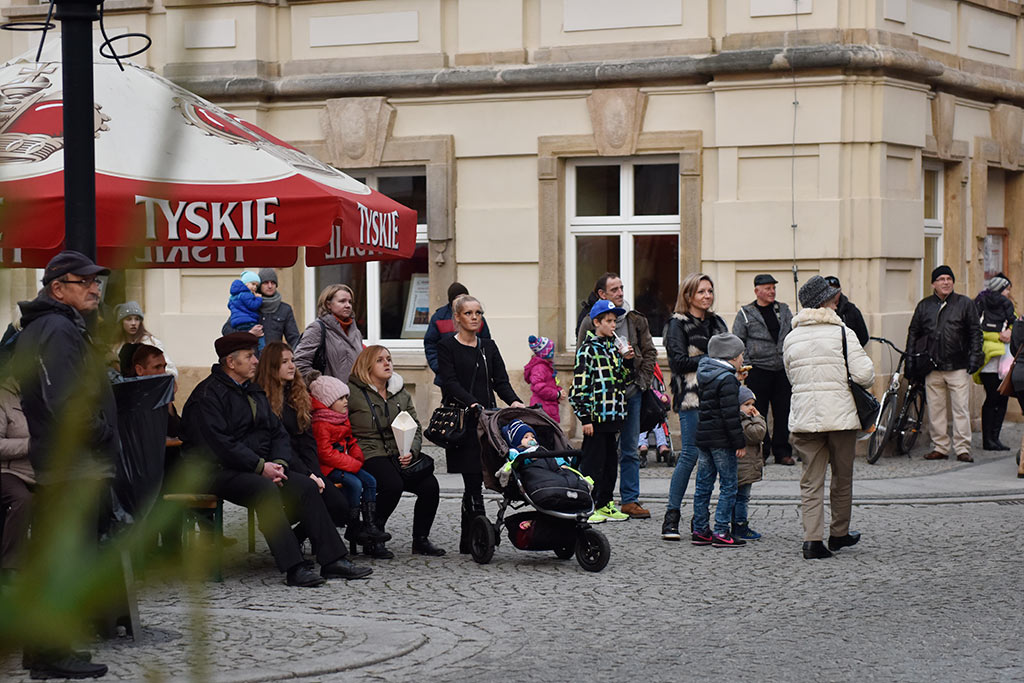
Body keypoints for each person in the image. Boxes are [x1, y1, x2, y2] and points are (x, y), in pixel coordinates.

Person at [181, 332, 366, 586]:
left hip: (256, 468)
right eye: (249, 356)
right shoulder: (208, 396)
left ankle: (333, 560)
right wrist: (260, 468)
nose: (256, 361)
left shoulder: (252, 391)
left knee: (306, 486)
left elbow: (277, 431)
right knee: (263, 489)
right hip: (215, 471)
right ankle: (294, 567)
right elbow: (221, 444)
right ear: (231, 363)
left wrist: (279, 463)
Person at [16, 249, 115, 679]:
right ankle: (50, 653)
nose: (95, 288)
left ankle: (46, 650)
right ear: (58, 288)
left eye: (97, 281)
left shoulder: (55, 324)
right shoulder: (57, 327)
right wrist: (101, 430)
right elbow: (63, 399)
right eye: (85, 281)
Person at [253, 342, 372, 579]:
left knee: (340, 506)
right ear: (271, 366)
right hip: (280, 465)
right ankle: (332, 560)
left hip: (305, 465)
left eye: (293, 361)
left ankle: (296, 537)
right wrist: (308, 475)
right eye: (284, 362)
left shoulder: (298, 394)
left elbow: (307, 442)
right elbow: (280, 444)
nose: (291, 366)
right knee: (313, 493)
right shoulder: (262, 398)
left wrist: (316, 473)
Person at [784, 276, 874, 560]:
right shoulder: (842, 332)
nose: (836, 299)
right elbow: (865, 375)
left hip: (804, 418)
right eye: (831, 296)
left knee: (810, 481)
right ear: (824, 301)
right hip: (840, 418)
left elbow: (791, 376)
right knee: (842, 478)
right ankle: (838, 533)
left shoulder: (791, 336)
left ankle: (812, 541)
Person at [437, 294, 524, 551]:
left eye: (478, 313)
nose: (475, 317)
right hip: (463, 422)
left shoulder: (488, 346)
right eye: (469, 313)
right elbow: (450, 382)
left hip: (487, 422)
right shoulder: (447, 347)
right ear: (457, 318)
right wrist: (472, 402)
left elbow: (501, 381)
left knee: (486, 475)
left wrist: (515, 402)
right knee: (472, 479)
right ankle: (478, 537)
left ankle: (470, 539)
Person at [347, 345, 446, 556]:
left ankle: (420, 539)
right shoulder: (352, 393)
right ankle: (373, 534)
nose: (387, 363)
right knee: (393, 484)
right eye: (380, 360)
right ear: (367, 365)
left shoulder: (399, 392)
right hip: (368, 451)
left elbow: (416, 427)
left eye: (389, 359)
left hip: (398, 452)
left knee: (430, 486)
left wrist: (412, 450)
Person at [577, 272, 657, 519]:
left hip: (624, 401)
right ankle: (587, 502)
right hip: (598, 410)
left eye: (622, 288)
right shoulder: (589, 338)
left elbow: (646, 355)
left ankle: (619, 501)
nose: (621, 292)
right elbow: (581, 380)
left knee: (624, 452)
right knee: (594, 459)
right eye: (615, 289)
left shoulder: (634, 321)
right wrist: (585, 417)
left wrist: (636, 374)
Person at [661, 273, 728, 540]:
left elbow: (731, 353)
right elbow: (678, 362)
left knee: (713, 459)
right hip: (690, 397)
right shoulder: (678, 324)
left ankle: (701, 521)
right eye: (701, 292)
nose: (707, 296)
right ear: (688, 296)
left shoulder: (717, 322)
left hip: (718, 397)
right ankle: (671, 517)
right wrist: (712, 359)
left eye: (710, 291)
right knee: (690, 456)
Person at [907, 266, 983, 462]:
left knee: (961, 409)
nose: (946, 282)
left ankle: (962, 448)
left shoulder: (964, 304)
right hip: (931, 366)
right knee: (936, 409)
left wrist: (975, 357)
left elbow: (976, 332)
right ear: (933, 283)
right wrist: (910, 360)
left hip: (958, 365)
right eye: (941, 279)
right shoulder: (924, 306)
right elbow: (913, 333)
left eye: (949, 278)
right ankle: (940, 447)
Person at [308, 374, 389, 546]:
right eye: (340, 398)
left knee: (371, 481)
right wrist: (351, 463)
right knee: (355, 484)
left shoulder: (341, 418)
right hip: (329, 468)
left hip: (346, 464)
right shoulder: (321, 423)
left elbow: (350, 440)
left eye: (346, 397)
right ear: (328, 402)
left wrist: (356, 453)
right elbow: (325, 453)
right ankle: (352, 525)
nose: (346, 401)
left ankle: (369, 524)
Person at [569, 299, 630, 524]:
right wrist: (585, 417)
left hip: (613, 416)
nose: (614, 325)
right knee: (592, 464)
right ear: (596, 322)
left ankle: (605, 503)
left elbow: (622, 381)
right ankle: (588, 504)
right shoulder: (587, 350)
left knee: (610, 464)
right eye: (609, 321)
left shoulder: (612, 349)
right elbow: (579, 387)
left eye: (615, 321)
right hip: (594, 418)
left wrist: (627, 362)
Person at [690, 333, 747, 548]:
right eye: (741, 355)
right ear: (731, 357)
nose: (742, 359)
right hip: (722, 441)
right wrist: (739, 442)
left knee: (703, 485)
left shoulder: (706, 374)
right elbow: (730, 415)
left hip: (704, 437)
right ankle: (722, 531)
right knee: (729, 485)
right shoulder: (727, 379)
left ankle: (700, 529)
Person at [732, 273, 795, 466]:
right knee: (758, 411)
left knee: (783, 411)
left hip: (781, 369)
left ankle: (782, 451)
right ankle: (762, 450)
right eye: (767, 288)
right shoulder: (745, 313)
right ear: (756, 291)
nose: (772, 291)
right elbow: (738, 340)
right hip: (758, 369)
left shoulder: (784, 310)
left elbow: (793, 334)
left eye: (773, 288)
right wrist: (747, 363)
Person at [974, 274, 1015, 451]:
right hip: (989, 359)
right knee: (993, 397)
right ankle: (988, 439)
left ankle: (995, 438)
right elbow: (976, 330)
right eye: (1006, 289)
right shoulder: (980, 305)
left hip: (1004, 360)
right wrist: (998, 335)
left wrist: (1011, 333)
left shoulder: (1008, 307)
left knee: (1002, 397)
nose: (1008, 293)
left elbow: (1016, 324)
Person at [423, 282, 492, 386]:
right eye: (458, 298)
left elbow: (486, 344)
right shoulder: (439, 317)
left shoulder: (477, 318)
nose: (462, 301)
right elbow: (430, 345)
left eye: (465, 297)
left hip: (475, 374)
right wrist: (440, 367)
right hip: (448, 377)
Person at [294, 284, 364, 383]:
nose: (348, 305)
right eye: (342, 301)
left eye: (350, 302)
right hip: (329, 396)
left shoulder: (356, 332)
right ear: (328, 304)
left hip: (356, 395)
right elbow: (299, 363)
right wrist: (323, 384)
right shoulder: (317, 329)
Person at [1, 376, 32, 579]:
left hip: (42, 472)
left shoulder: (45, 393)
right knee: (23, 499)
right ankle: (10, 566)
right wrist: (30, 445)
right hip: (8, 471)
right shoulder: (3, 397)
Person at [222, 268, 300, 349]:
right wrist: (248, 333)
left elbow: (294, 338)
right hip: (251, 358)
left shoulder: (285, 309)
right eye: (266, 283)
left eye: (273, 283)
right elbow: (226, 330)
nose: (270, 286)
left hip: (274, 359)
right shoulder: (246, 304)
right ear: (259, 286)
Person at [733, 385, 766, 541]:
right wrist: (759, 418)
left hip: (743, 467)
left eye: (752, 404)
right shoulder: (744, 422)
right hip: (744, 468)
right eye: (747, 405)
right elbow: (758, 433)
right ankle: (740, 526)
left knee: (737, 496)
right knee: (742, 498)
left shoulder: (742, 419)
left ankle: (735, 524)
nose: (751, 408)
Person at [111, 301, 178, 377]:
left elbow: (170, 369)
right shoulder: (115, 347)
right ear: (121, 322)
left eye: (137, 319)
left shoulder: (152, 343)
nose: (133, 323)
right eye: (129, 319)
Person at [524, 335, 564, 423]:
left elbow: (550, 384)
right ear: (547, 353)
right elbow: (540, 388)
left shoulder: (546, 367)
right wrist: (556, 394)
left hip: (548, 407)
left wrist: (559, 391)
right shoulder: (540, 368)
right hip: (543, 408)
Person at [824, 276, 869, 347]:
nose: (832, 293)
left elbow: (863, 337)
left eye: (834, 290)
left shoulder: (851, 310)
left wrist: (849, 351)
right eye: (829, 290)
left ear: (840, 290)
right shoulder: (816, 311)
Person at [227, 270, 263, 337]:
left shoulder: (234, 296)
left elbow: (229, 306)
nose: (255, 287)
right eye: (253, 284)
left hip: (236, 323)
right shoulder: (246, 294)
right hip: (248, 321)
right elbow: (253, 305)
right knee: (260, 338)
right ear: (246, 283)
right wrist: (259, 298)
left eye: (257, 286)